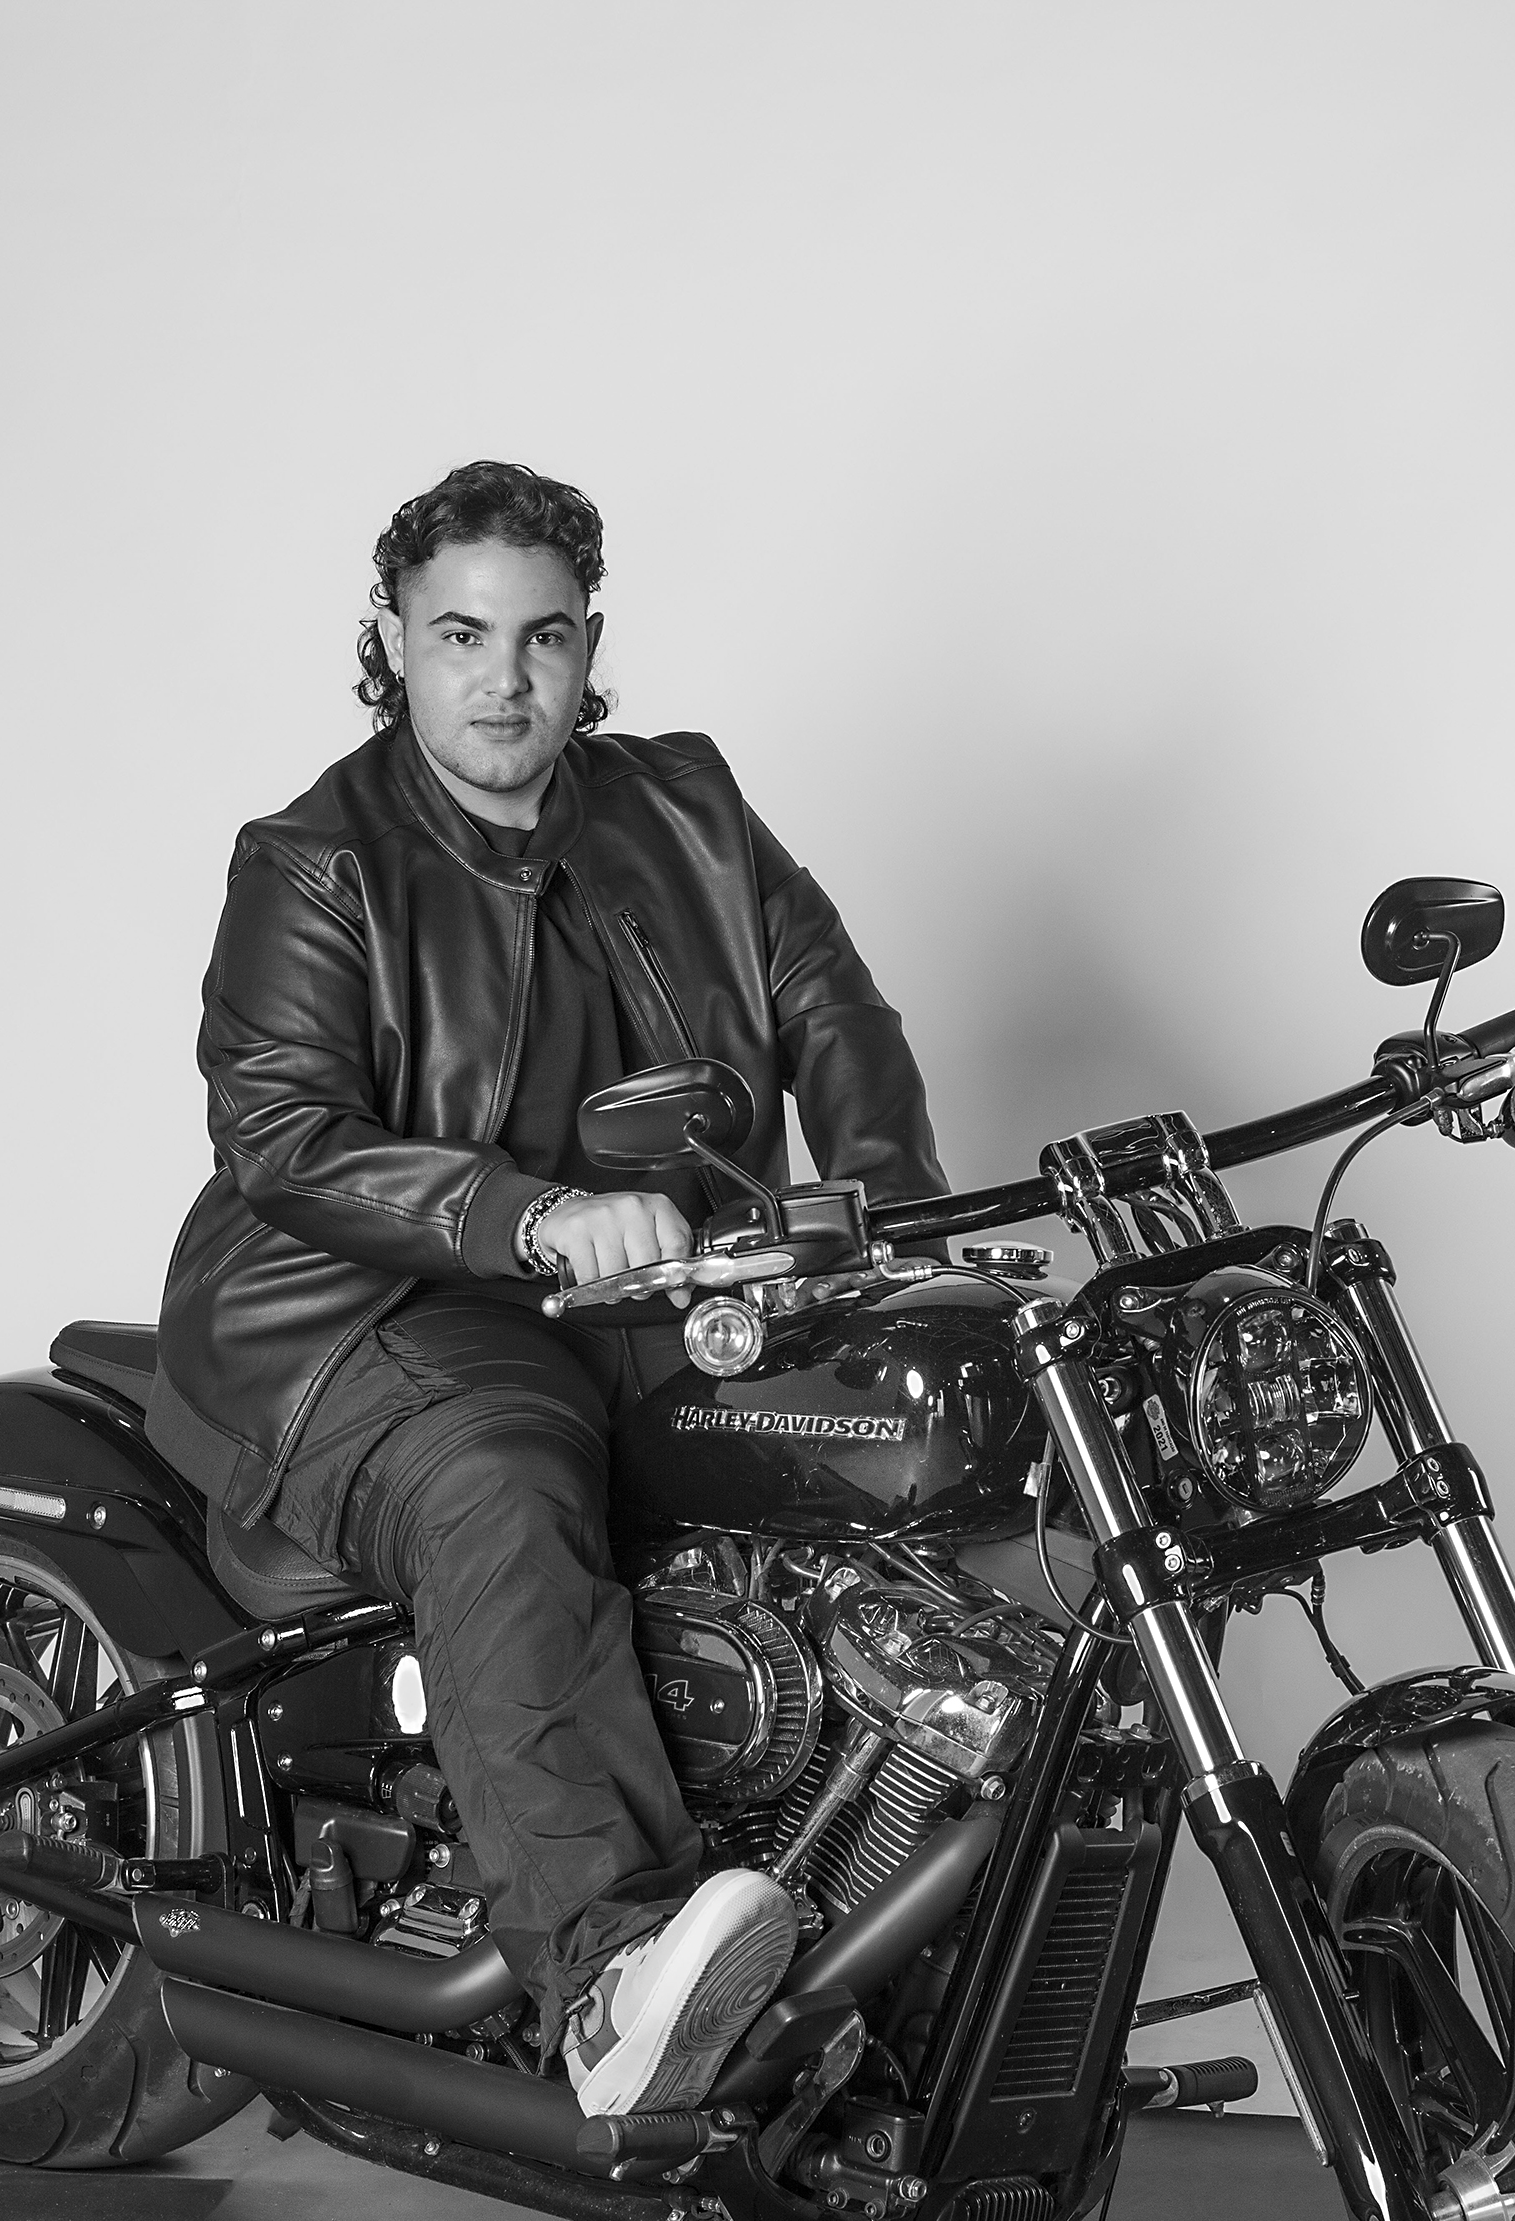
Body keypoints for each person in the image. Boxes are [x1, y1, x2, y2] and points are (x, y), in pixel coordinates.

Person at [148, 459, 948, 2117]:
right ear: (395, 640)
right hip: (360, 1316)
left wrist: (891, 1219)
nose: (504, 680)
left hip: (650, 1300)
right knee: (502, 1485)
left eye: (543, 638)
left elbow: (830, 1005)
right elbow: (283, 1135)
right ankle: (609, 1971)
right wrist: (530, 1217)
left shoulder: (687, 807)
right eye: (462, 635)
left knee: (916, 1459)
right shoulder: (314, 862)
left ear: (590, 642)